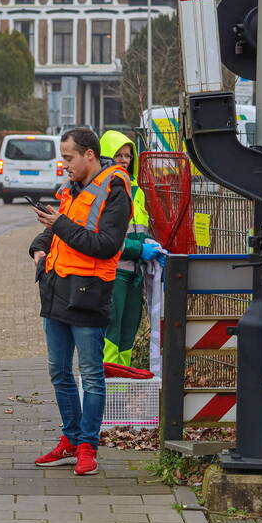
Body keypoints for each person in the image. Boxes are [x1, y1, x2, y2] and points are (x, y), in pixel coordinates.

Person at [28, 128, 133, 476]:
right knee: (59, 372)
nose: (65, 164)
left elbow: (105, 245)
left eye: (69, 158)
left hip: (89, 295)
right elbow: (58, 230)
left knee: (91, 376)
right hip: (57, 290)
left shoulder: (115, 189)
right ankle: (71, 441)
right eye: (63, 158)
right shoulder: (71, 189)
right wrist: (39, 246)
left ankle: (88, 446)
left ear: (90, 155)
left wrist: (59, 225)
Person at [99, 130, 162, 367]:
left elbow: (139, 228)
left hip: (135, 273)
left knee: (128, 331)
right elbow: (103, 238)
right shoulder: (102, 190)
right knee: (112, 330)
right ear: (107, 157)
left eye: (128, 156)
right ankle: (107, 382)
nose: (124, 160)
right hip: (113, 271)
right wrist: (138, 248)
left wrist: (150, 244)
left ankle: (122, 381)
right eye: (118, 155)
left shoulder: (137, 191)